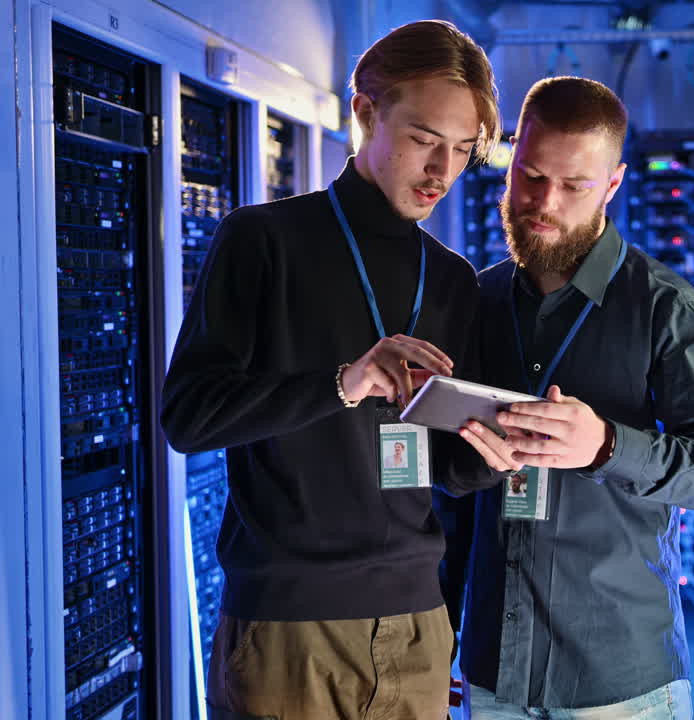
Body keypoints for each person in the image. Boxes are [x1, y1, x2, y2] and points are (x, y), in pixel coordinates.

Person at [161, 20, 500, 720]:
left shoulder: (451, 280)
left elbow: (446, 467)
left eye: (463, 150)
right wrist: (344, 383)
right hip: (289, 630)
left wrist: (501, 447)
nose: (442, 171)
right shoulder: (262, 242)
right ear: (366, 111)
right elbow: (188, 418)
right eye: (423, 140)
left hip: (417, 626)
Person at [458, 76, 694, 719]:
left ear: (613, 185)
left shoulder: (665, 308)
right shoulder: (476, 301)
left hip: (619, 684)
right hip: (494, 672)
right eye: (529, 177)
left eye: (573, 186)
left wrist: (607, 446)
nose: (544, 203)